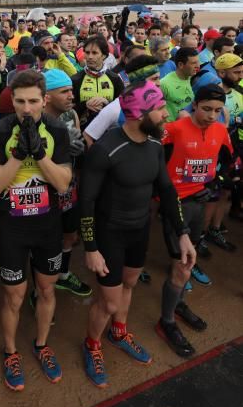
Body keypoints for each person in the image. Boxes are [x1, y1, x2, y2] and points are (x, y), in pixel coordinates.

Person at [79, 81, 194, 387]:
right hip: (110, 234)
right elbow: (86, 200)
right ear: (139, 113)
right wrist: (91, 247)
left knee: (129, 284)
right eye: (159, 109)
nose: (166, 114)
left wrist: (182, 232)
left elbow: (167, 190)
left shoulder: (155, 145)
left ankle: (118, 333)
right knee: (109, 302)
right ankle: (92, 345)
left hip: (139, 229)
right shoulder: (105, 149)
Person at [0, 70, 72, 391]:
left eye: (33, 101)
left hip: (48, 226)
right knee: (14, 297)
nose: (26, 108)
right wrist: (19, 155)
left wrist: (40, 155)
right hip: (13, 229)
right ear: (11, 100)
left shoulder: (57, 129)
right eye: (19, 101)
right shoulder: (0, 130)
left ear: (44, 100)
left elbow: (63, 184)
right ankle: (10, 351)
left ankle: (41, 344)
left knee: (47, 290)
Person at [157, 85, 234, 357]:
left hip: (201, 201)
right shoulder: (175, 129)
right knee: (181, 265)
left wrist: (220, 178)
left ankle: (178, 304)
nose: (212, 115)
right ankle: (166, 322)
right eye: (206, 109)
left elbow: (227, 158)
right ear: (195, 105)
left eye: (217, 110)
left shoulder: (221, 130)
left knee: (189, 260)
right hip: (175, 203)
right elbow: (153, 152)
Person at [42, 69, 91, 297]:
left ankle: (62, 274)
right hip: (44, 192)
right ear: (47, 96)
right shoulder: (36, 119)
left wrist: (80, 149)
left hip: (69, 188)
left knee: (70, 234)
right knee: (46, 241)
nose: (72, 96)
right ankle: (42, 290)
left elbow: (79, 141)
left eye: (72, 90)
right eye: (65, 92)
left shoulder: (70, 115)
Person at [72, 36, 124, 129]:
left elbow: (124, 105)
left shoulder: (114, 78)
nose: (90, 56)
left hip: (109, 132)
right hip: (83, 131)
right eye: (87, 52)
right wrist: (85, 105)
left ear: (104, 55)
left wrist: (107, 103)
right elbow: (69, 109)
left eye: (94, 53)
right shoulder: (76, 79)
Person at [160, 47, 199, 121]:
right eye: (193, 63)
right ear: (181, 65)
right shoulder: (164, 84)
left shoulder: (194, 78)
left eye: (198, 62)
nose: (197, 66)